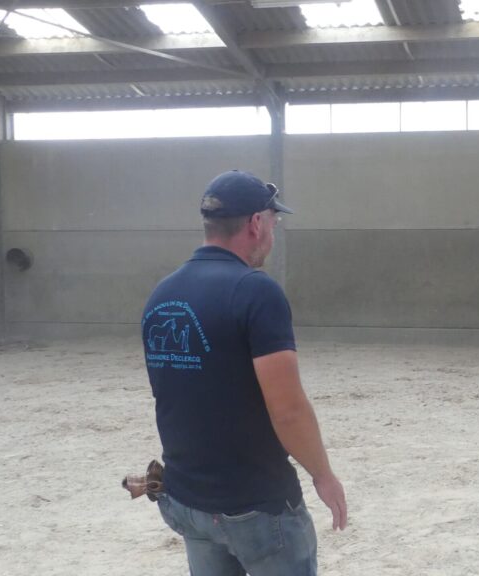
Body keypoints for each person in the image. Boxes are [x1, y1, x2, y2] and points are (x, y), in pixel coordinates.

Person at [141, 170, 347, 575]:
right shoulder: (256, 290)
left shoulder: (162, 294)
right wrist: (323, 475)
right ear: (256, 223)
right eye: (273, 221)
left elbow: (171, 393)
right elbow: (287, 409)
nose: (272, 231)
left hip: (188, 501)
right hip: (256, 506)